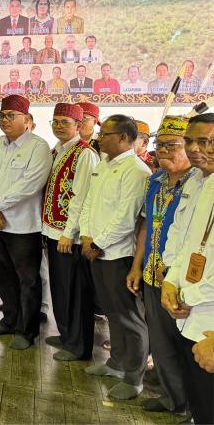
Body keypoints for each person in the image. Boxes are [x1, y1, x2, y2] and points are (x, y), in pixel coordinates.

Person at [80, 115, 152, 400]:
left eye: (106, 133)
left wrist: (98, 242)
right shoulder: (104, 164)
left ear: (124, 138)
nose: (99, 137)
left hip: (118, 254)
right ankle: (117, 364)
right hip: (95, 249)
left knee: (129, 317)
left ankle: (134, 378)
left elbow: (126, 217)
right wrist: (86, 235)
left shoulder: (136, 170)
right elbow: (89, 203)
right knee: (111, 312)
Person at [0, 95, 53, 350]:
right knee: (4, 276)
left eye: (12, 116)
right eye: (3, 116)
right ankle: (9, 320)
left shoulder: (38, 147)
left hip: (23, 228)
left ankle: (26, 330)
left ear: (27, 120)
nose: (6, 120)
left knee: (28, 280)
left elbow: (29, 185)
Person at [128, 116, 193, 414]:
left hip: (183, 282)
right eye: (159, 144)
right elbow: (145, 226)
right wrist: (136, 266)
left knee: (187, 346)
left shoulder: (200, 184)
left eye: (172, 145)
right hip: (152, 274)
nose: (162, 151)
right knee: (162, 342)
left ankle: (195, 406)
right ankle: (173, 399)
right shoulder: (154, 181)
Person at [161, 113, 214, 423]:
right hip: (188, 310)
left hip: (206, 316)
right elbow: (187, 242)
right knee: (201, 400)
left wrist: (189, 293)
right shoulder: (201, 181)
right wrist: (171, 283)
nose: (195, 148)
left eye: (205, 141)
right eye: (190, 141)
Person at [41, 103, 99, 361]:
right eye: (55, 121)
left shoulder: (84, 153)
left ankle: (79, 346)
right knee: (61, 288)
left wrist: (69, 232)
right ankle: (66, 336)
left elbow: (81, 197)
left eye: (65, 121)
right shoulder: (58, 150)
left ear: (79, 125)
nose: (58, 126)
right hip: (53, 231)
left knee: (75, 293)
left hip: (69, 237)